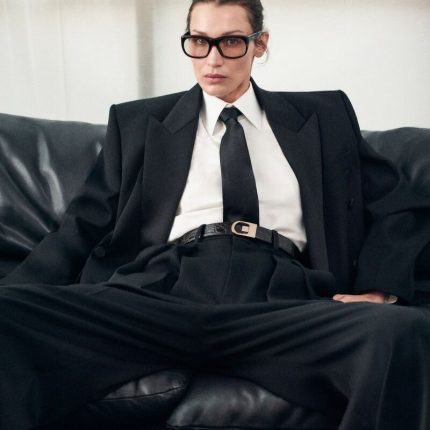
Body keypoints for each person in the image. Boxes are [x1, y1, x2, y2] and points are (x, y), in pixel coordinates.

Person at [1, 0, 429, 429]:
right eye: (199, 42)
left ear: (260, 44)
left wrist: (382, 290)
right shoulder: (137, 122)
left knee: (398, 332)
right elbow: (81, 226)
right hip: (158, 292)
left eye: (231, 42)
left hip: (281, 299)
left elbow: (396, 204)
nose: (213, 59)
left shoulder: (324, 116)